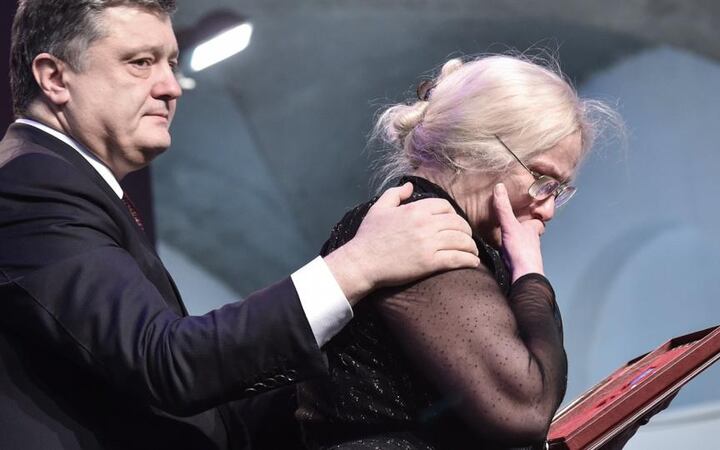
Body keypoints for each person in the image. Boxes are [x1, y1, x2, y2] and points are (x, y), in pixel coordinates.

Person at [0, 1, 483, 449]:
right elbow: (168, 364)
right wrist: (356, 266)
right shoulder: (32, 184)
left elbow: (203, 408)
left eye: (170, 62)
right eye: (140, 62)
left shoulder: (67, 182)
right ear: (55, 77)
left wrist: (365, 357)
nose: (170, 86)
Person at [295, 55, 652, 449]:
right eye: (542, 179)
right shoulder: (418, 229)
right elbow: (526, 408)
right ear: (475, 150)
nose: (548, 207)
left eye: (559, 190)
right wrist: (531, 275)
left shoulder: (461, 241)